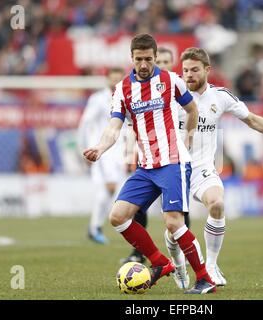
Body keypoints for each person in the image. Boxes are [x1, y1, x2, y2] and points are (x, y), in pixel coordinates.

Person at [83, 34, 216, 294]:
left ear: (155, 57)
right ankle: (160, 262)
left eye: (148, 59)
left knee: (173, 222)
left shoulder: (170, 80)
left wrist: (187, 139)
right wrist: (100, 147)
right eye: (138, 59)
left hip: (172, 162)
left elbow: (192, 110)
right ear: (131, 58)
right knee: (118, 217)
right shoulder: (122, 89)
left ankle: (205, 278)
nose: (143, 64)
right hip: (146, 167)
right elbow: (113, 127)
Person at [164, 47, 263, 287]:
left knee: (217, 204)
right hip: (173, 169)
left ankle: (211, 264)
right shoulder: (173, 94)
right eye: (185, 70)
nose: (189, 75)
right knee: (175, 228)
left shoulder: (221, 96)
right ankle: (178, 265)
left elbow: (252, 119)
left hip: (202, 168)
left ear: (207, 70)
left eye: (194, 70)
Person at [119, 47, 191, 272]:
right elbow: (132, 126)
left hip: (177, 159)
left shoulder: (176, 89)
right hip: (148, 160)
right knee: (136, 210)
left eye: (166, 61)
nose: (163, 64)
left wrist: (188, 143)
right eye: (160, 61)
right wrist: (129, 154)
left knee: (175, 217)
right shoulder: (139, 92)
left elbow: (196, 117)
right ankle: (142, 253)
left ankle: (186, 262)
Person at [77, 67, 126, 244]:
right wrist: (83, 148)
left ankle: (95, 227)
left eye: (119, 79)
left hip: (119, 151)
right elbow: (85, 123)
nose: (115, 82)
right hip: (103, 150)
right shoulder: (98, 99)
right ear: (107, 80)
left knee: (109, 189)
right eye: (113, 79)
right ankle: (95, 226)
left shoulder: (125, 97)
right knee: (110, 187)